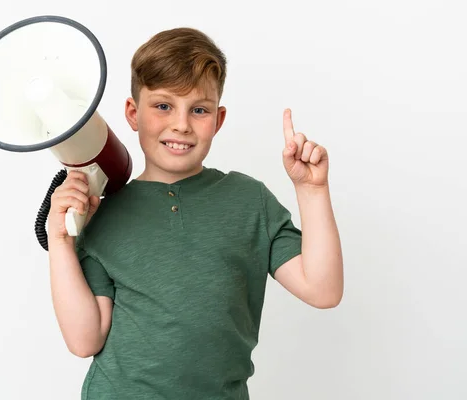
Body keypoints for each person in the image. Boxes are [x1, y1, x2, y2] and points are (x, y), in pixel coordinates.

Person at [47, 27, 343, 400]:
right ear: (133, 113)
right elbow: (84, 340)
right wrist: (60, 241)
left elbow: (323, 290)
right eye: (163, 106)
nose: (181, 124)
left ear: (218, 120)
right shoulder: (105, 213)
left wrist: (312, 190)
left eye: (199, 110)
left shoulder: (249, 201)